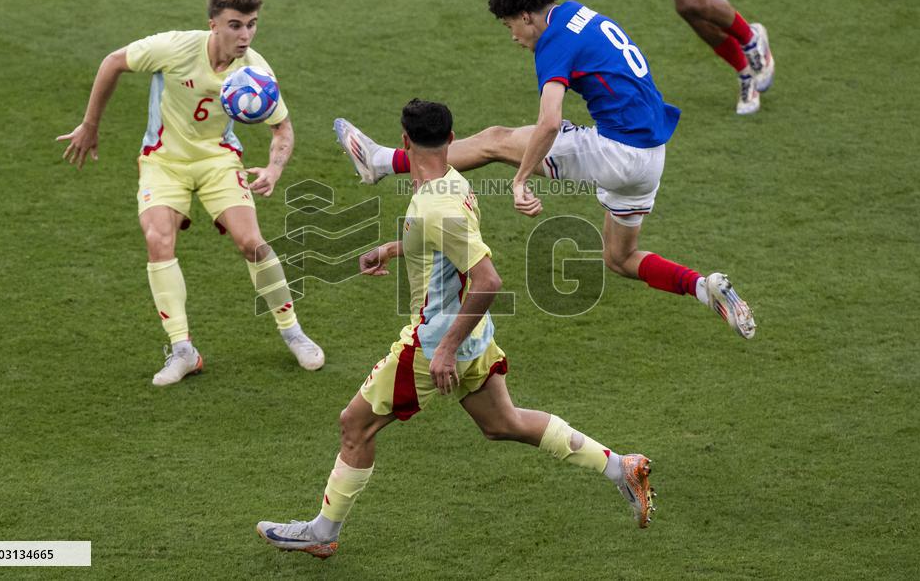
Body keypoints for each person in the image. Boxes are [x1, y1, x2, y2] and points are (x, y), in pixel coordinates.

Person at [256, 100, 656, 559]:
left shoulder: (435, 205)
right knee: (503, 423)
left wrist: (445, 349)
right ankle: (619, 467)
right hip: (476, 337)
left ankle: (322, 533)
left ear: (405, 142)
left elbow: (488, 281)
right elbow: (450, 249)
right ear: (450, 139)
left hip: (434, 342)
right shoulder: (454, 182)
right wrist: (391, 249)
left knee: (354, 427)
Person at [334, 0, 756, 339]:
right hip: (650, 157)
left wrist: (520, 179)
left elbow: (551, 121)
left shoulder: (552, 42)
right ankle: (705, 288)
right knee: (620, 257)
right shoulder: (576, 12)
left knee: (496, 140)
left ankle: (381, 163)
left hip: (617, 150)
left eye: (509, 27)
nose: (514, 37)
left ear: (525, 15)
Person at [56, 0, 324, 385]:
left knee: (251, 241)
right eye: (235, 25)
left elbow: (282, 128)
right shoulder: (176, 48)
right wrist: (90, 125)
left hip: (218, 160)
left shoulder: (255, 73)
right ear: (213, 24)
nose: (245, 36)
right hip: (164, 161)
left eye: (252, 25)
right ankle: (183, 351)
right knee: (158, 239)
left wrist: (274, 169)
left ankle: (294, 333)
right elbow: (113, 62)